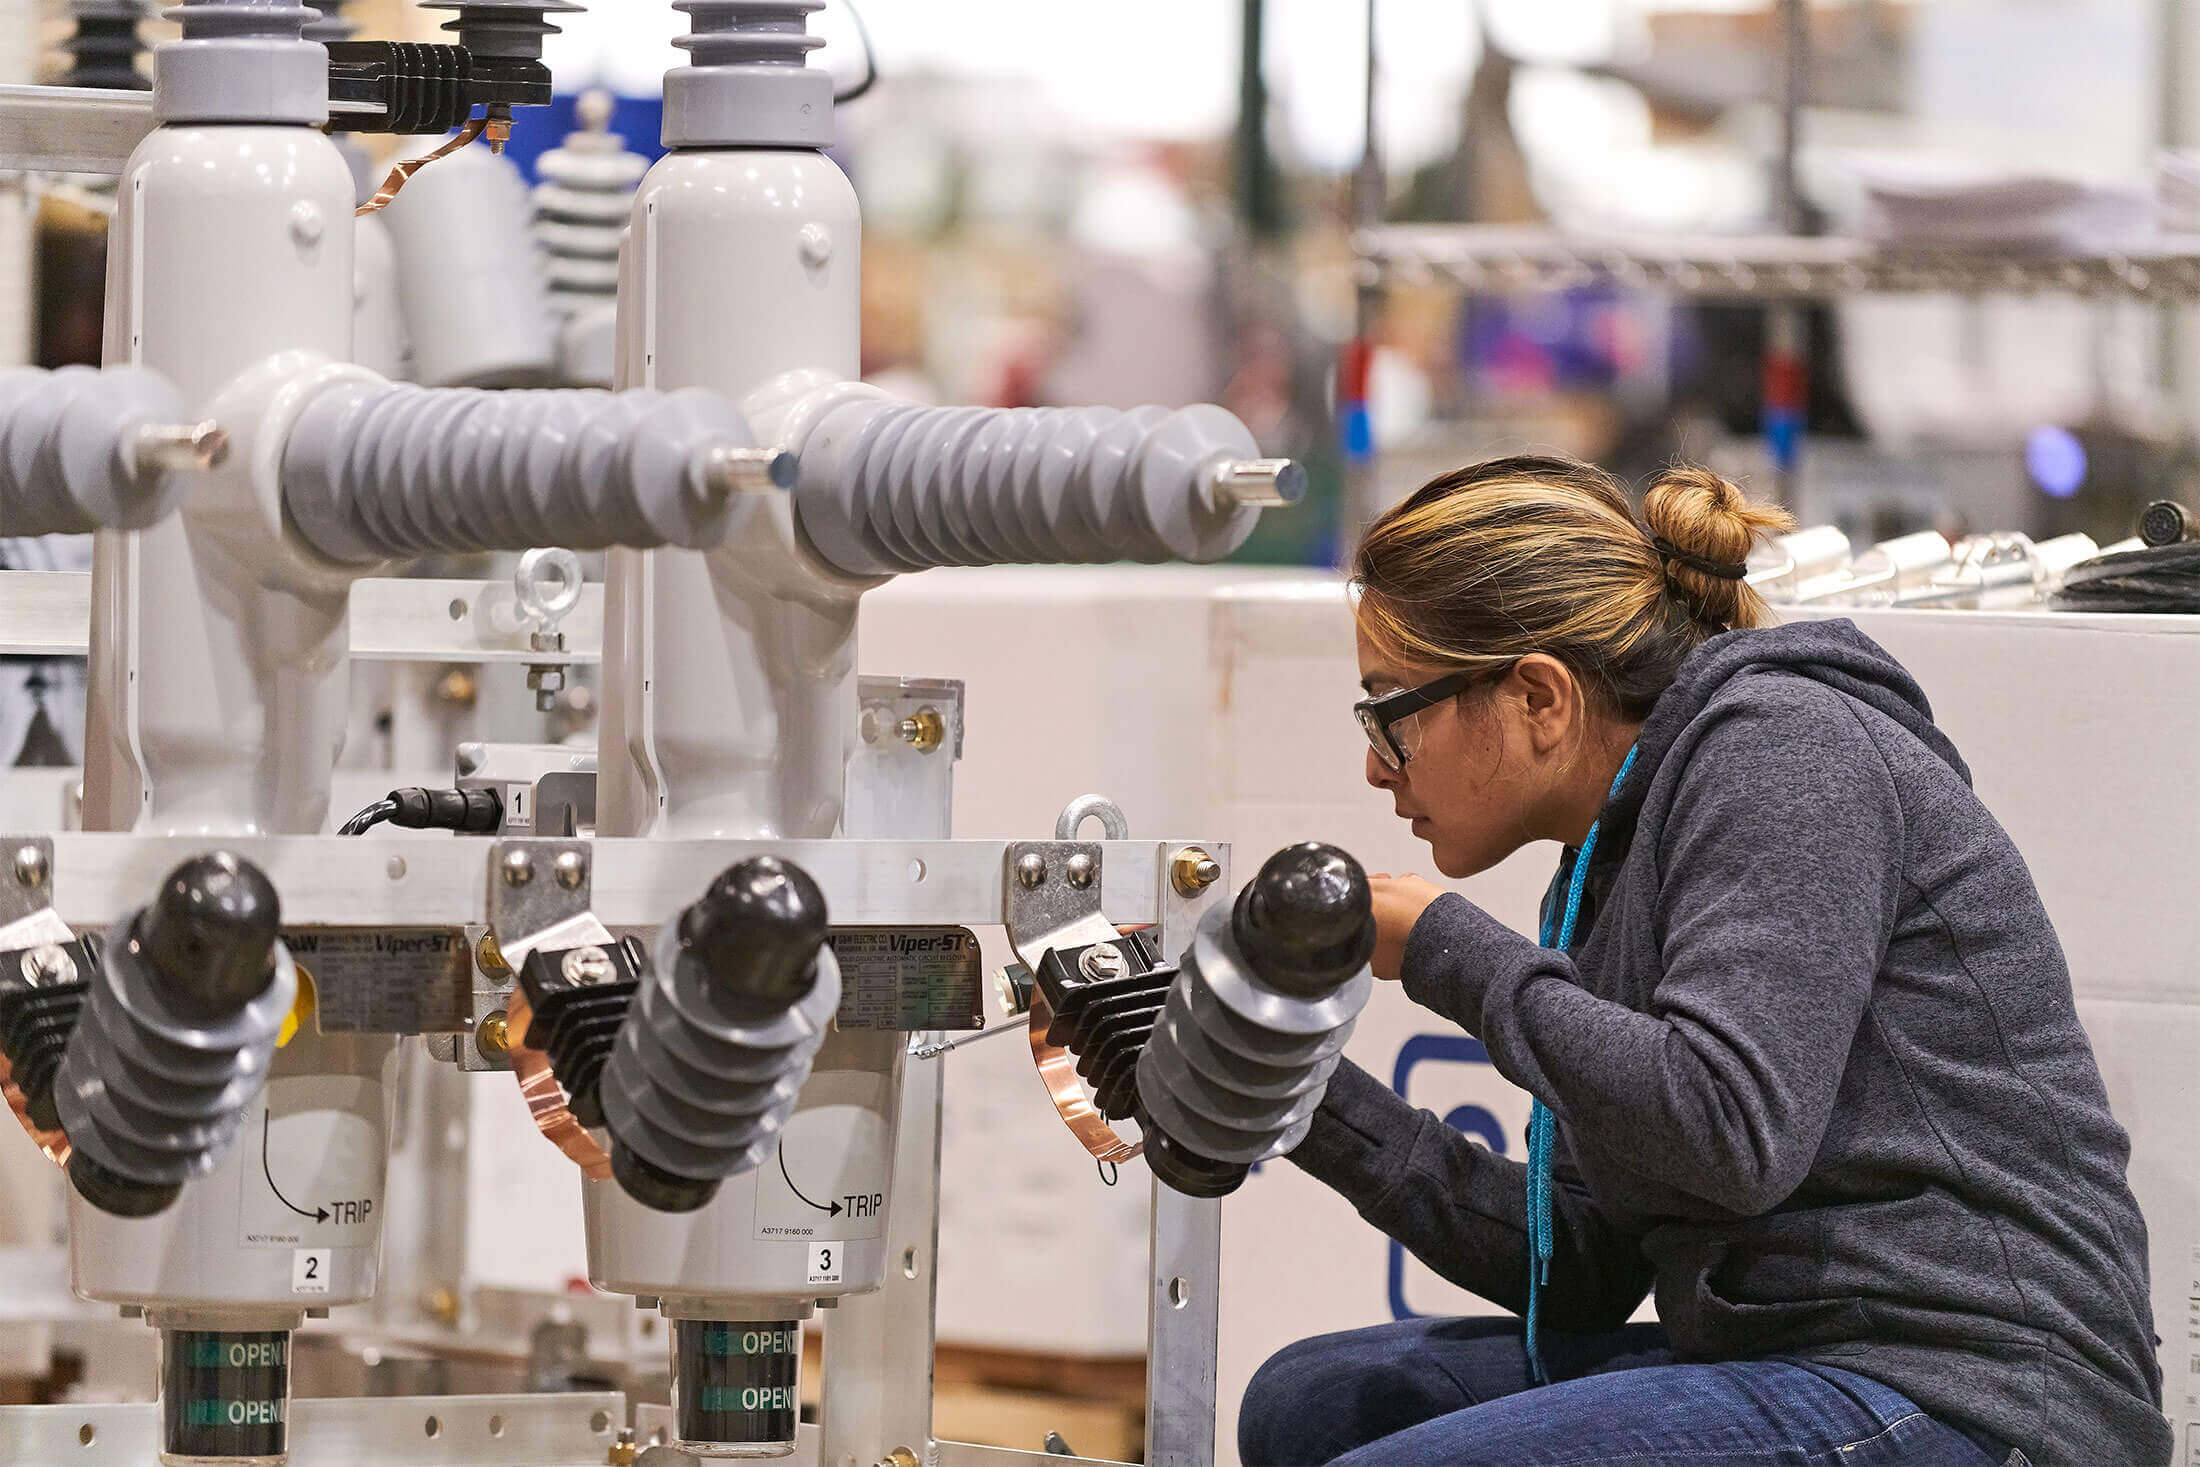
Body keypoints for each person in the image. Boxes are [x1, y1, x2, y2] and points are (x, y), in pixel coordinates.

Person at [1239, 457, 2169, 1467]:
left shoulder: (1784, 751)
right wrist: (1290, 1088)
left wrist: (1446, 950)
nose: (1375, 763)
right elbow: (1581, 1264)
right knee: (1307, 1403)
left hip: (1973, 1392)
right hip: (1793, 1358)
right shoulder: (1599, 862)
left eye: (1391, 712)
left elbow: (1728, 1131)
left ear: (1540, 697)